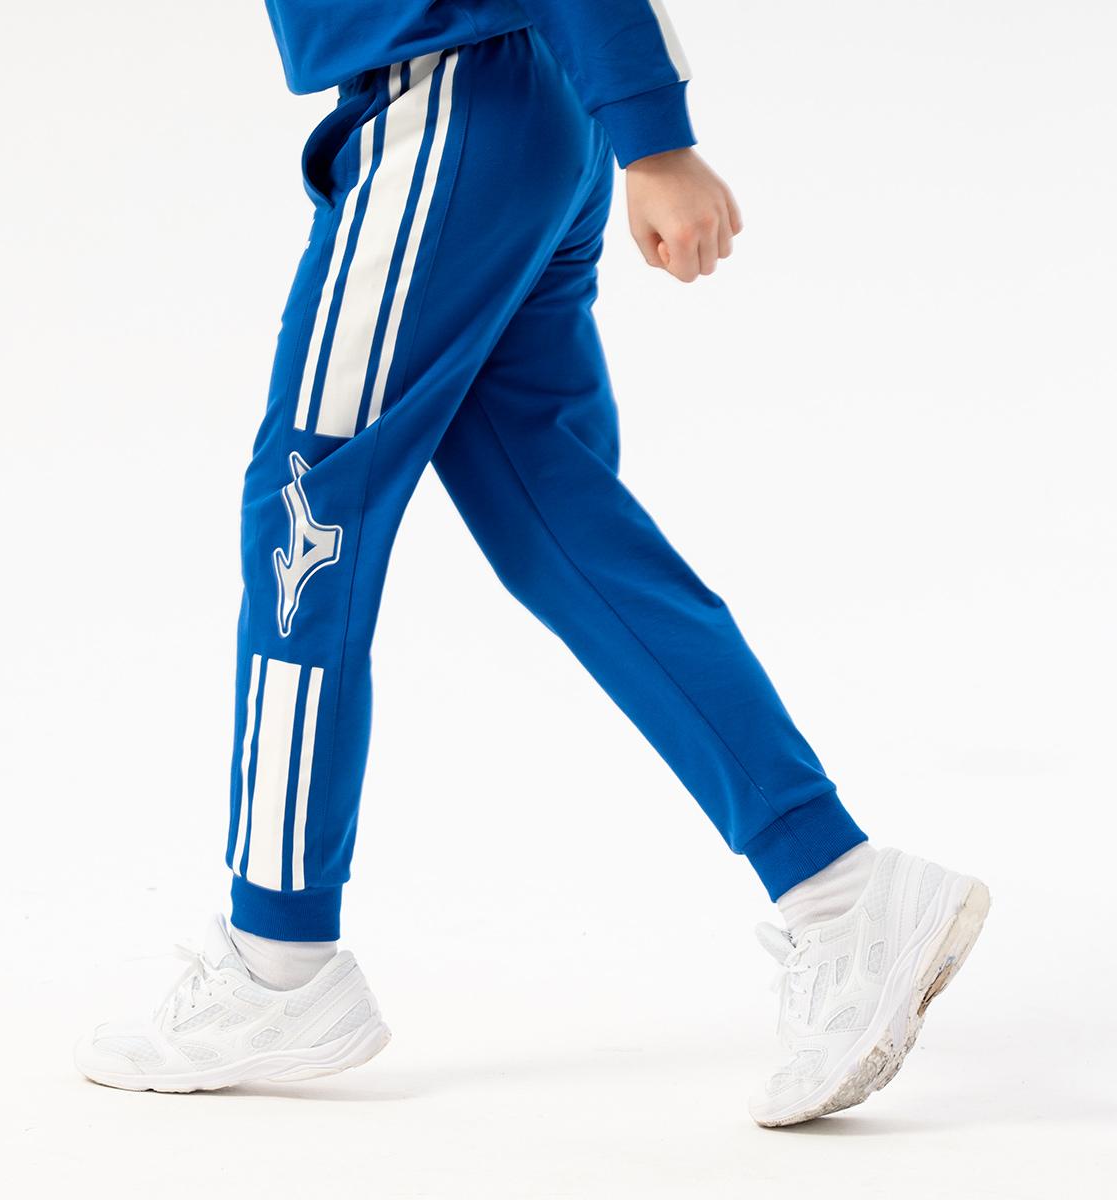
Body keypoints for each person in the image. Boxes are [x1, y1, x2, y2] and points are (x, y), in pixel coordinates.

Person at [74, 1, 989, 1126]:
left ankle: (276, 961)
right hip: (511, 107)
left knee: (305, 517)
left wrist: (654, 135)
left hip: (443, 103)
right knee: (562, 532)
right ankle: (841, 892)